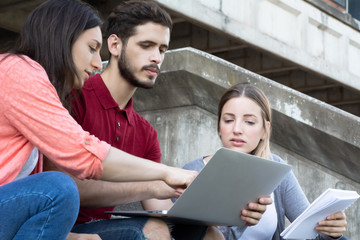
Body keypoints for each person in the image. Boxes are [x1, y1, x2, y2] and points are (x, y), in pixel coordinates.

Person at [0, 0, 197, 239]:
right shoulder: (19, 72)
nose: (96, 63)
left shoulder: (145, 131)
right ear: (63, 38)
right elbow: (81, 155)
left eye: (162, 50)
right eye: (92, 48)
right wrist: (165, 173)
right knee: (58, 188)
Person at [43, 1, 228, 239]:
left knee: (209, 234)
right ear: (115, 44)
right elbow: (66, 187)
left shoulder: (146, 133)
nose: (156, 58)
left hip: (107, 227)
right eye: (146, 45)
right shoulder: (73, 98)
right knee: (153, 229)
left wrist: (225, 207)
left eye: (162, 49)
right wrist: (153, 184)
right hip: (60, 228)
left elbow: (157, 204)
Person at [183, 82, 348, 240]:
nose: (237, 129)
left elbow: (313, 233)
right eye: (228, 120)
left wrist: (332, 231)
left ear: (265, 130)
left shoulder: (277, 170)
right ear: (219, 127)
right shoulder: (191, 173)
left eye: (249, 122)